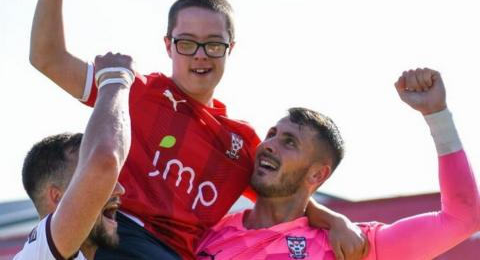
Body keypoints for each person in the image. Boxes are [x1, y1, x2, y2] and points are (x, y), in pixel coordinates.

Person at [30, 0, 366, 259]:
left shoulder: (240, 141)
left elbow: (285, 191)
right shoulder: (136, 91)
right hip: (115, 237)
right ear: (168, 45)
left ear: (230, 49)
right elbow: (47, 58)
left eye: (214, 44)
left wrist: (336, 221)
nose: (200, 55)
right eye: (187, 43)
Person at [196, 68, 480, 259]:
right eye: (272, 134)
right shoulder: (206, 231)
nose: (269, 144)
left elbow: (462, 220)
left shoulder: (350, 246)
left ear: (318, 174)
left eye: (290, 142)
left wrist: (437, 115)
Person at [14, 53, 133, 259]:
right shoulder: (38, 254)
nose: (118, 189)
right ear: (58, 198)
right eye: (86, 179)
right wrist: (115, 80)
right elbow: (104, 160)